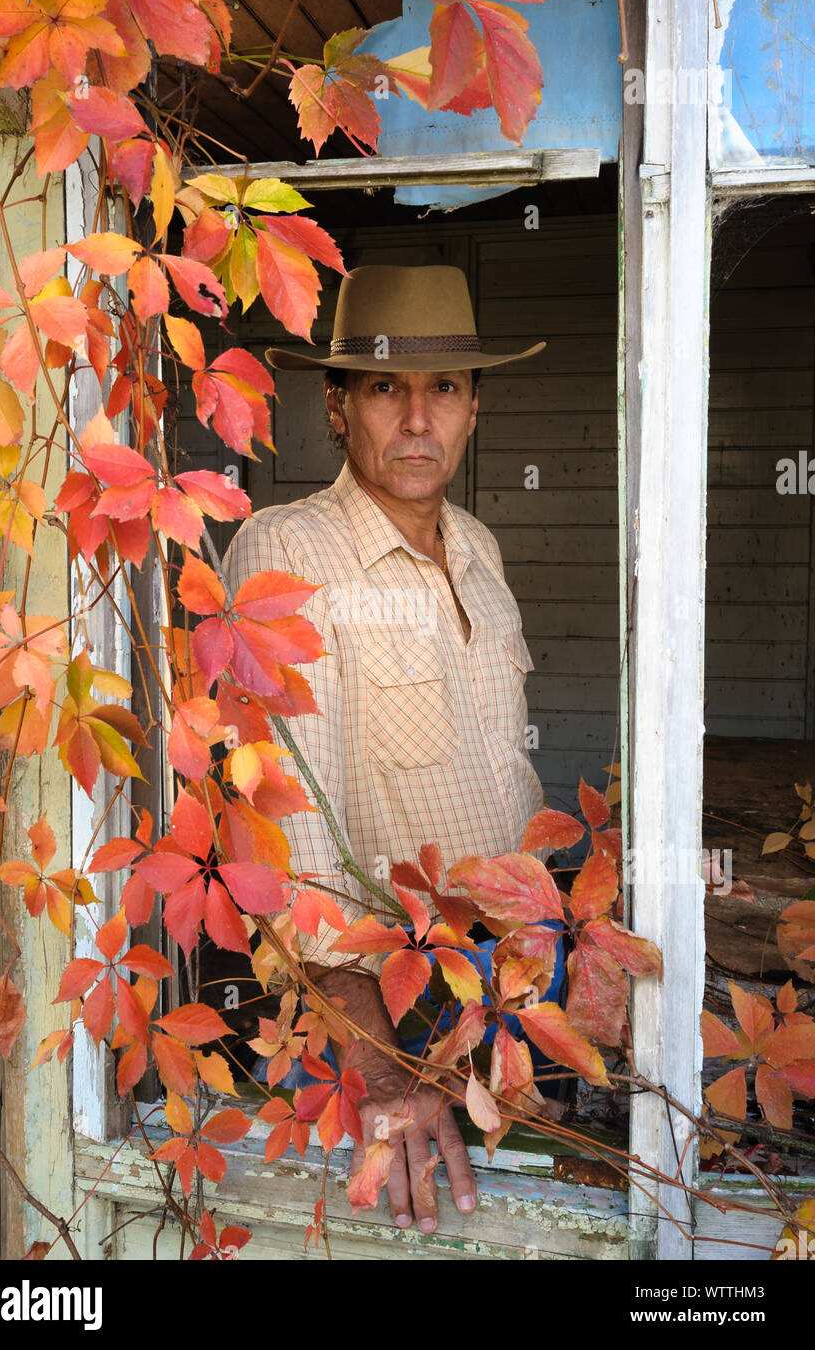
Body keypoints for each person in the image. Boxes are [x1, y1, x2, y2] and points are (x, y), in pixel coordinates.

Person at [223, 263, 561, 1234]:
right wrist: (377, 1067)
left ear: (473, 404)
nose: (418, 419)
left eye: (444, 387)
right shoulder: (288, 554)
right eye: (384, 386)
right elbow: (293, 842)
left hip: (504, 999)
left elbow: (505, 775)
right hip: (383, 1013)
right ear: (336, 405)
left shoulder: (481, 551)